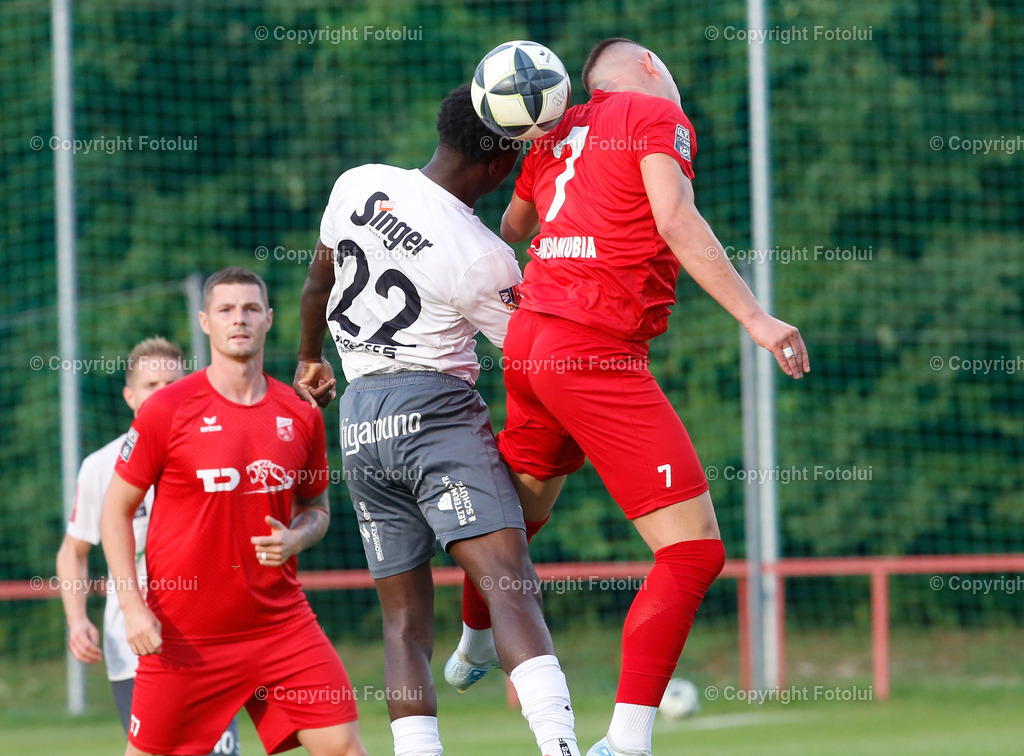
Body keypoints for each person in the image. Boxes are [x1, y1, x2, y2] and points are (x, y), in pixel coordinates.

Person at [447, 39, 811, 756]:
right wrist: (757, 320)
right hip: (593, 351)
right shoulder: (653, 113)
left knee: (518, 516)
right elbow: (675, 220)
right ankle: (626, 742)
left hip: (530, 342)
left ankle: (475, 638)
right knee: (693, 554)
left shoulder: (554, 133)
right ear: (649, 65)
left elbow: (514, 230)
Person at [292, 85, 581, 756]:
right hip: (435, 412)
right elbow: (536, 356)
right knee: (510, 584)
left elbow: (316, 284)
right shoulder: (483, 255)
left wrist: (310, 357)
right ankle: (560, 745)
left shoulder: (359, 183)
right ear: (502, 166)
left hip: (361, 423)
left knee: (403, 623)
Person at [100, 268, 365, 756]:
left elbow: (316, 508)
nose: (237, 319)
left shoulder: (301, 413)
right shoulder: (168, 410)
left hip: (281, 627)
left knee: (343, 745)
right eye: (225, 310)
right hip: (184, 638)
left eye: (249, 309)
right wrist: (132, 606)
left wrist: (296, 538)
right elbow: (114, 512)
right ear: (205, 322)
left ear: (269, 318)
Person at [56, 338, 241, 755]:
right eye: (150, 384)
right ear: (129, 396)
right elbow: (73, 550)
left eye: (171, 383)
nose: (162, 393)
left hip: (209, 637)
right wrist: (76, 618)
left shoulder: (216, 455)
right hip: (135, 641)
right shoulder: (102, 467)